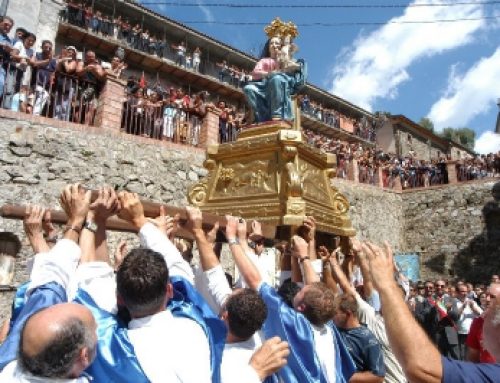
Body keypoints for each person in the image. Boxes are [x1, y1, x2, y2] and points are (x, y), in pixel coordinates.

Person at [227, 215, 355, 383]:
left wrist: (233, 239)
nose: (299, 287)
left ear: (301, 308)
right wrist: (305, 252)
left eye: (301, 292)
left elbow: (254, 280)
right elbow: (316, 289)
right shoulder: (328, 325)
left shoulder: (294, 324)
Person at [361, 241, 500, 383]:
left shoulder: (492, 375)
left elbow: (421, 368)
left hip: (449, 335)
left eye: (492, 305)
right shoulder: (430, 302)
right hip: (436, 335)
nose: (484, 312)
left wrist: (386, 283)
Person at [0, 184, 98, 382]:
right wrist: (86, 223)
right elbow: (51, 288)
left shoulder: (9, 370)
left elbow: (49, 287)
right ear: (84, 356)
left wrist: (71, 225)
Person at [243, 32, 306, 123]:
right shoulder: (264, 60)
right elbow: (255, 73)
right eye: (271, 43)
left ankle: (277, 114)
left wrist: (283, 58)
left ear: (281, 46)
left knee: (276, 79)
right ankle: (263, 116)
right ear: (268, 47)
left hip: (282, 81)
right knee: (248, 88)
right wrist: (269, 73)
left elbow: (293, 67)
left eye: (276, 43)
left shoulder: (284, 57)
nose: (274, 45)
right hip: (265, 85)